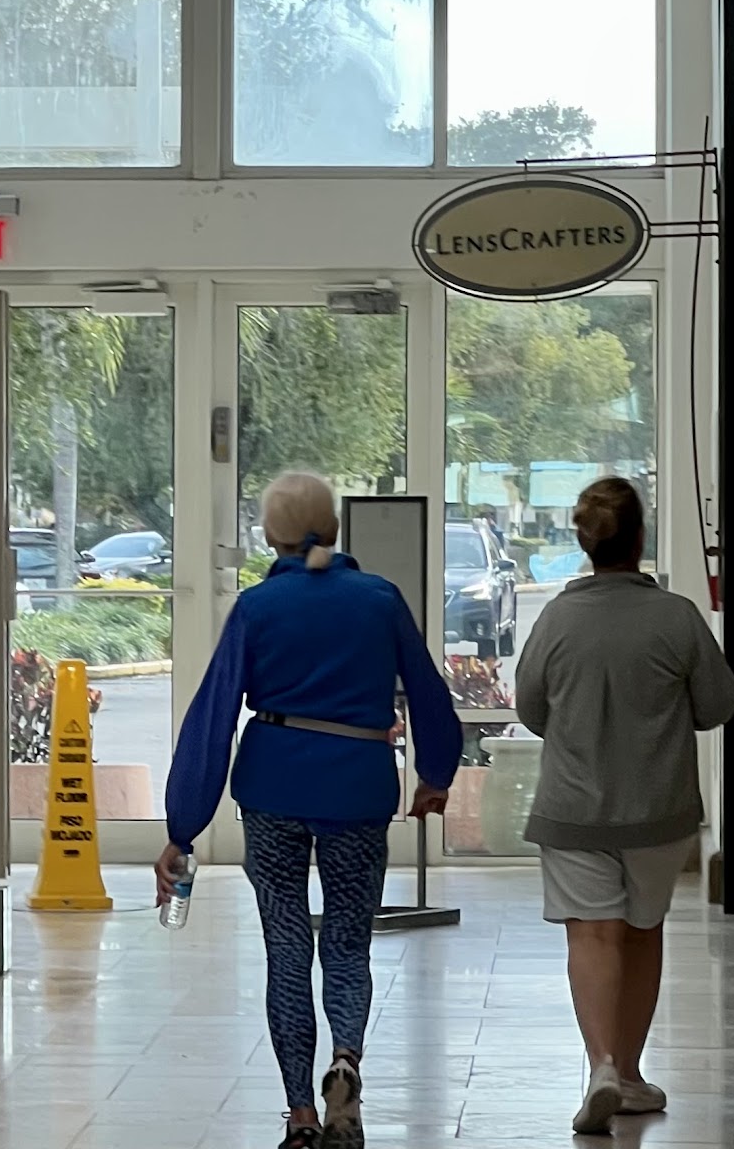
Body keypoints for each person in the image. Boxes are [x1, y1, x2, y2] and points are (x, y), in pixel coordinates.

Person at [157, 472, 462, 1149]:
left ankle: (300, 1115)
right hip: (358, 787)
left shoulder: (258, 607)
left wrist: (183, 827)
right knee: (348, 943)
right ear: (336, 527)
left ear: (271, 535)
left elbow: (213, 716)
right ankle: (345, 1060)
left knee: (288, 948)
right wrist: (435, 773)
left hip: (274, 790)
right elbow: (427, 689)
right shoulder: (379, 599)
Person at [514, 477, 734, 1136]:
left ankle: (602, 1067)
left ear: (584, 543)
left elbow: (530, 708)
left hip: (573, 809)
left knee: (591, 931)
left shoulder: (556, 619)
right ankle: (632, 1075)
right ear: (639, 539)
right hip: (658, 810)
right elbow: (718, 704)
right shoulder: (677, 617)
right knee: (642, 930)